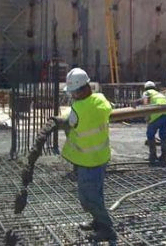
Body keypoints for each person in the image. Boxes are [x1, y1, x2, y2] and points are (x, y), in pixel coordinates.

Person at [54, 68, 117, 243]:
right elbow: (108, 107)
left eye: (73, 92)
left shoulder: (77, 110)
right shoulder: (101, 99)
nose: (72, 96)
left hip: (87, 161)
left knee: (88, 197)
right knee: (96, 194)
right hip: (101, 158)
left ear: (82, 90)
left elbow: (70, 120)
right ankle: (98, 222)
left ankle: (106, 229)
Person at [142, 81, 166, 166]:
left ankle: (153, 156)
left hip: (157, 114)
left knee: (150, 134)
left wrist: (147, 117)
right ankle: (163, 157)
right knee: (163, 135)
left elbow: (146, 104)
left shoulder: (147, 92)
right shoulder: (159, 94)